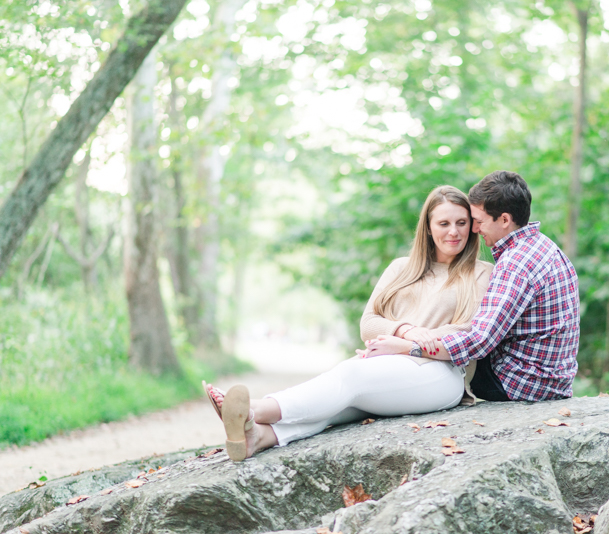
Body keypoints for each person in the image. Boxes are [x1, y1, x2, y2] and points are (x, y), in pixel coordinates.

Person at [204, 185, 493, 461]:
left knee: (351, 376)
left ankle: (253, 409)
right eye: (444, 223)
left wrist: (401, 345)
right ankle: (257, 437)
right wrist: (406, 330)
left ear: (472, 226)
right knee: (337, 402)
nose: (454, 232)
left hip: (442, 374)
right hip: (391, 367)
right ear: (428, 228)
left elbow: (465, 332)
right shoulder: (400, 268)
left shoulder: (482, 273)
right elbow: (369, 323)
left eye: (461, 222)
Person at [364, 170, 580, 402]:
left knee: (462, 348)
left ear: (505, 220)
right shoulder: (542, 245)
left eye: (477, 222)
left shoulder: (514, 264)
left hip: (519, 382)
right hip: (552, 379)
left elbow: (479, 340)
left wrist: (408, 347)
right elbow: (369, 322)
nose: (475, 230)